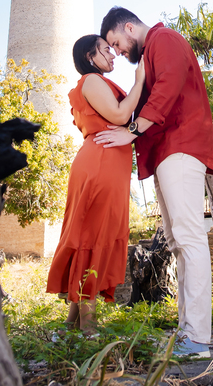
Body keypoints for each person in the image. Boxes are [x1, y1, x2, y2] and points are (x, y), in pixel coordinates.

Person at [94, 7, 213, 360]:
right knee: (179, 241)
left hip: (181, 148)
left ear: (130, 27)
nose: (118, 52)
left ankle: (197, 339)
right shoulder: (148, 54)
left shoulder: (163, 39)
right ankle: (188, 334)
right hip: (166, 151)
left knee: (189, 238)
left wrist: (130, 132)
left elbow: (167, 88)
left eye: (117, 44)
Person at [46, 34, 145, 334]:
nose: (113, 55)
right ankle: (89, 327)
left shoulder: (94, 83)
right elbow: (118, 114)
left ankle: (72, 323)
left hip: (105, 163)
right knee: (91, 236)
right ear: (90, 57)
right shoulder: (91, 81)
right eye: (106, 50)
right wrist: (139, 80)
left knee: (92, 233)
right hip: (100, 164)